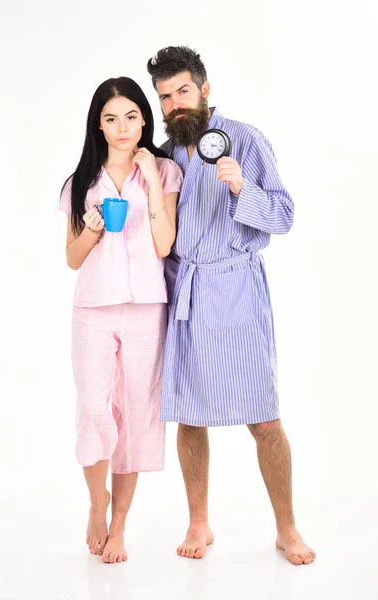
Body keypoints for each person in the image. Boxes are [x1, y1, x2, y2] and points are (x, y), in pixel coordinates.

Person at [146, 46, 315, 565]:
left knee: (264, 418)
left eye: (182, 91)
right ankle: (199, 521)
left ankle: (286, 528)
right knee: (190, 417)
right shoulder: (166, 154)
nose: (175, 105)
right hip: (186, 293)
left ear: (205, 89)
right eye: (165, 97)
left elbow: (284, 216)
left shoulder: (246, 140)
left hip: (238, 290)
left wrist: (244, 188)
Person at [59, 77, 183, 564]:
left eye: (131, 116)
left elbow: (163, 245)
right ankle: (97, 503)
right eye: (111, 118)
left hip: (146, 306)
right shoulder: (79, 183)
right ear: (99, 125)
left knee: (134, 414)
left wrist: (151, 182)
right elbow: (71, 259)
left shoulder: (166, 172)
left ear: (144, 120)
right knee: (94, 411)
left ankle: (120, 527)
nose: (122, 126)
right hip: (92, 307)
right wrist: (90, 229)